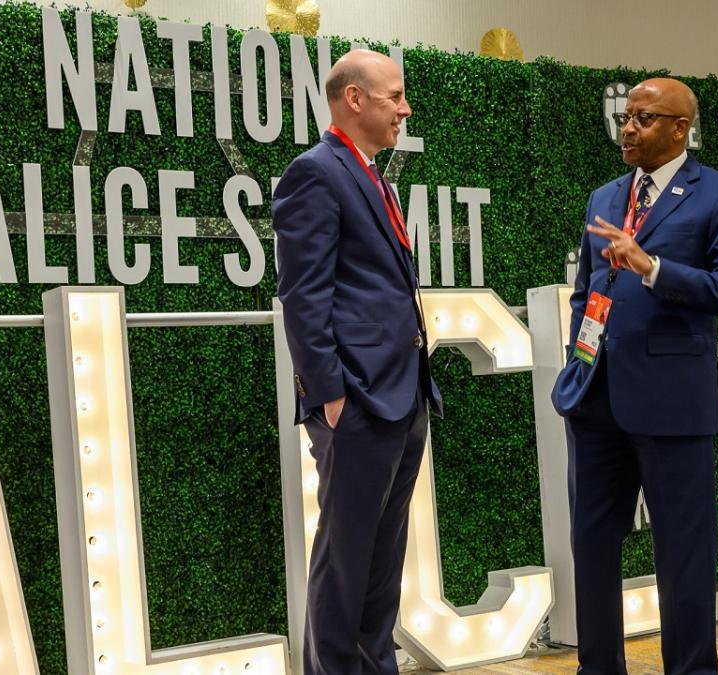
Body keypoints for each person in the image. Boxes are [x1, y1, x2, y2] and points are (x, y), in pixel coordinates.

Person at [552, 78, 718, 673]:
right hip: (595, 403)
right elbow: (589, 290)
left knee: (683, 557)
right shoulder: (604, 197)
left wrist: (654, 267)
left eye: (644, 118)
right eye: (626, 116)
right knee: (592, 548)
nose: (629, 127)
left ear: (679, 128)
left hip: (672, 407)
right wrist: (577, 359)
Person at [272, 49, 442, 675]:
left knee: (380, 562)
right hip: (359, 400)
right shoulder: (314, 173)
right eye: (394, 96)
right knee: (346, 563)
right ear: (355, 100)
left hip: (403, 394)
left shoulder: (374, 176)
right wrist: (330, 393)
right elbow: (303, 293)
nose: (405, 107)